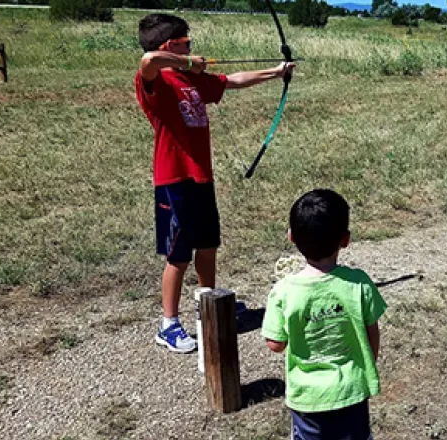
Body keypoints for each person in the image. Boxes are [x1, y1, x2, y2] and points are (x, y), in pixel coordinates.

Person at [136, 13, 295, 353]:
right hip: (173, 179)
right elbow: (149, 60)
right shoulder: (157, 82)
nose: (192, 46)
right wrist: (189, 61)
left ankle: (207, 304)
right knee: (178, 255)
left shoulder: (192, 80)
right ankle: (169, 324)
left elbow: (233, 80)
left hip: (200, 177)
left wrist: (276, 72)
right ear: (171, 45)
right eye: (186, 41)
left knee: (207, 245)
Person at [262, 189, 387, 440]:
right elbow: (372, 333)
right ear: (345, 239)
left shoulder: (284, 291)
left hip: (308, 398)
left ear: (291, 237)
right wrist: (366, 366)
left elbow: (275, 344)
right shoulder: (359, 284)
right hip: (352, 389)